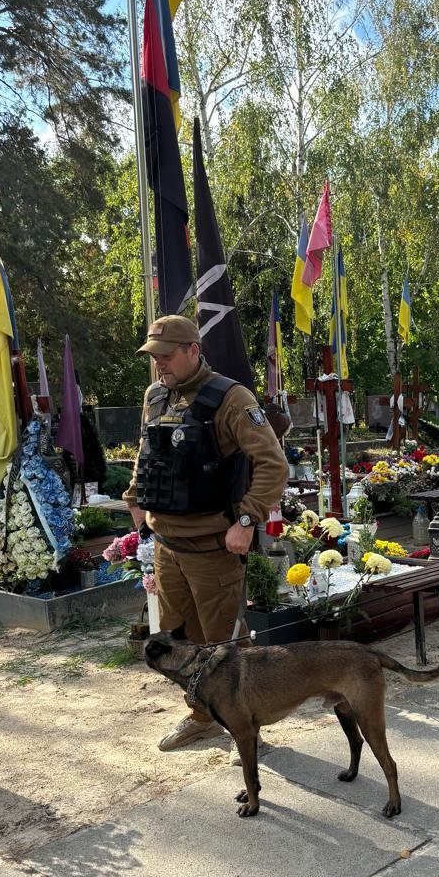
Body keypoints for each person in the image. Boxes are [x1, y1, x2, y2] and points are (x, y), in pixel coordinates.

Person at [124, 315, 289, 751]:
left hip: (214, 546)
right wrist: (135, 501)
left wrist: (248, 520)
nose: (159, 365)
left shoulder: (231, 398)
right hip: (167, 545)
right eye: (154, 357)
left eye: (166, 356)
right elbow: (147, 455)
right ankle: (202, 716)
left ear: (193, 350)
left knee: (228, 645)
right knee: (182, 641)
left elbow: (273, 464)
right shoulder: (155, 395)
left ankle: (247, 729)